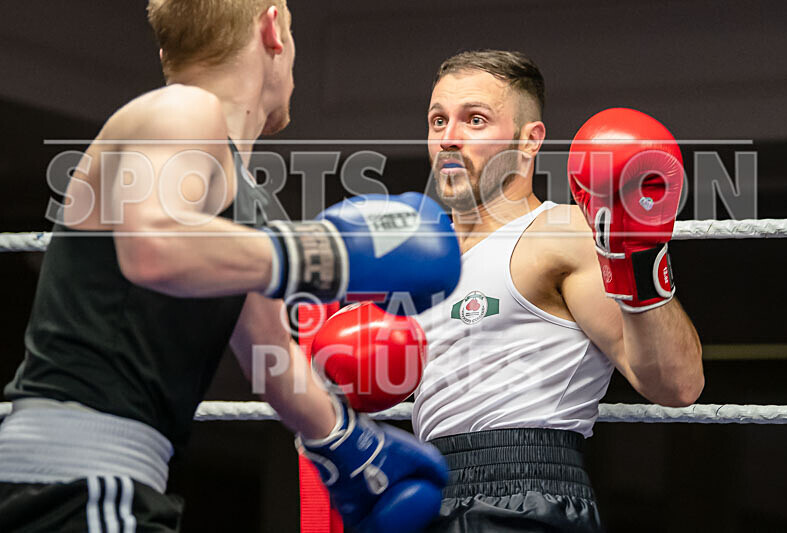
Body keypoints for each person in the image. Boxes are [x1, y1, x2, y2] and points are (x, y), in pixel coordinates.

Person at [0, 2, 461, 531]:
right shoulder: (182, 111)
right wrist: (324, 252)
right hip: (79, 475)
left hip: (106, 479)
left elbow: (269, 358)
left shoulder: (233, 200)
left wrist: (350, 443)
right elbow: (155, 245)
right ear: (272, 29)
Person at [409, 50, 705, 532]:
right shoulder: (421, 260)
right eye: (438, 120)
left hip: (525, 490)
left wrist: (636, 254)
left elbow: (679, 385)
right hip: (427, 490)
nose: (448, 138)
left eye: (475, 120)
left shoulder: (560, 233)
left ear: (530, 141)